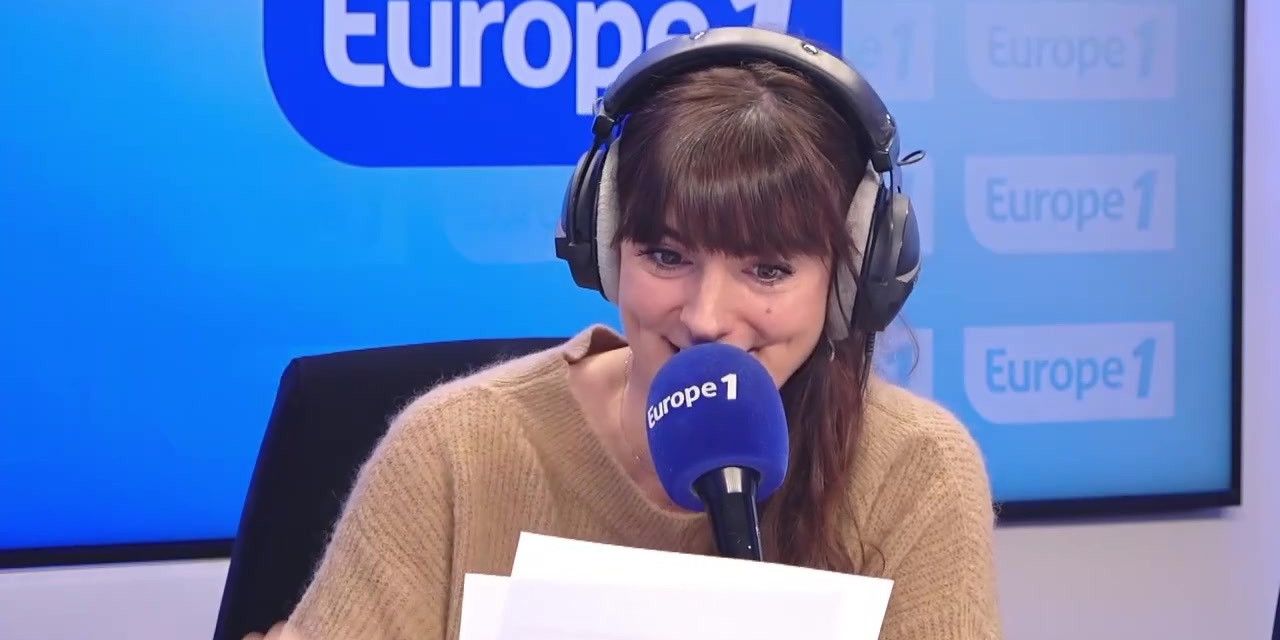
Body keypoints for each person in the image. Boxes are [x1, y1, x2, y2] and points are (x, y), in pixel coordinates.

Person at [248, 26, 1001, 640]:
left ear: (851, 279)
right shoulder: (453, 451)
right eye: (666, 256)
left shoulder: (916, 472)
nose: (706, 316)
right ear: (605, 246)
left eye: (768, 270)